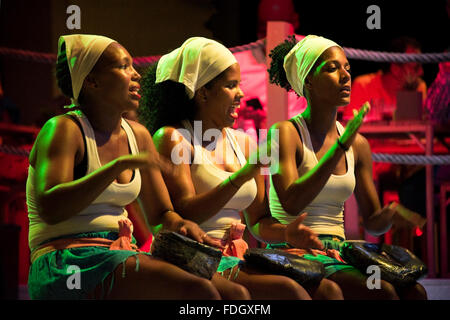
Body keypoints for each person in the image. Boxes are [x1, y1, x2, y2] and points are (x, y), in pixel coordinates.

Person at [26, 34, 249, 300]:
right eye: (123, 67)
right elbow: (51, 209)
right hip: (66, 260)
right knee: (197, 291)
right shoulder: (63, 129)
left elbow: (162, 213)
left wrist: (183, 226)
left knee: (235, 294)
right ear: (92, 81)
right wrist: (120, 164)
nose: (136, 75)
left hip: (118, 252)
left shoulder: (138, 135)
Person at [139, 36, 343, 300]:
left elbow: (258, 222)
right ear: (203, 92)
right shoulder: (174, 137)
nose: (241, 94)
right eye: (231, 86)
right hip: (195, 255)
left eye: (240, 85)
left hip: (237, 255)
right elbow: (187, 212)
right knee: (289, 291)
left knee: (327, 290)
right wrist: (241, 177)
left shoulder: (244, 144)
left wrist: (287, 233)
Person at [266, 35, 428, 300]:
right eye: (332, 68)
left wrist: (390, 214)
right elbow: (291, 203)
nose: (345, 76)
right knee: (382, 292)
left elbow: (373, 222)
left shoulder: (357, 143)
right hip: (294, 252)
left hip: (338, 253)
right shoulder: (284, 133)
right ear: (308, 80)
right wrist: (340, 147)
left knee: (415, 292)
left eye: (347, 68)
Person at [342, 36, 427, 122]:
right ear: (395, 69)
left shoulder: (419, 87)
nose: (421, 72)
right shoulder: (363, 86)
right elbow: (348, 128)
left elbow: (424, 130)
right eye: (416, 67)